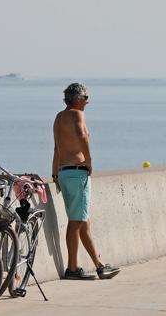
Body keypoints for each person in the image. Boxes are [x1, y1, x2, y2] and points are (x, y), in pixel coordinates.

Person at [52, 82, 120, 280]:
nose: (88, 102)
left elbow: (56, 148)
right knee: (76, 223)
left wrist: (55, 174)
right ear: (77, 98)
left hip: (64, 173)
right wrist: (89, 161)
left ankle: (99, 265)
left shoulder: (59, 117)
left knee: (83, 223)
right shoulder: (76, 114)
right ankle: (72, 268)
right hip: (77, 172)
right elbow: (82, 136)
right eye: (86, 98)